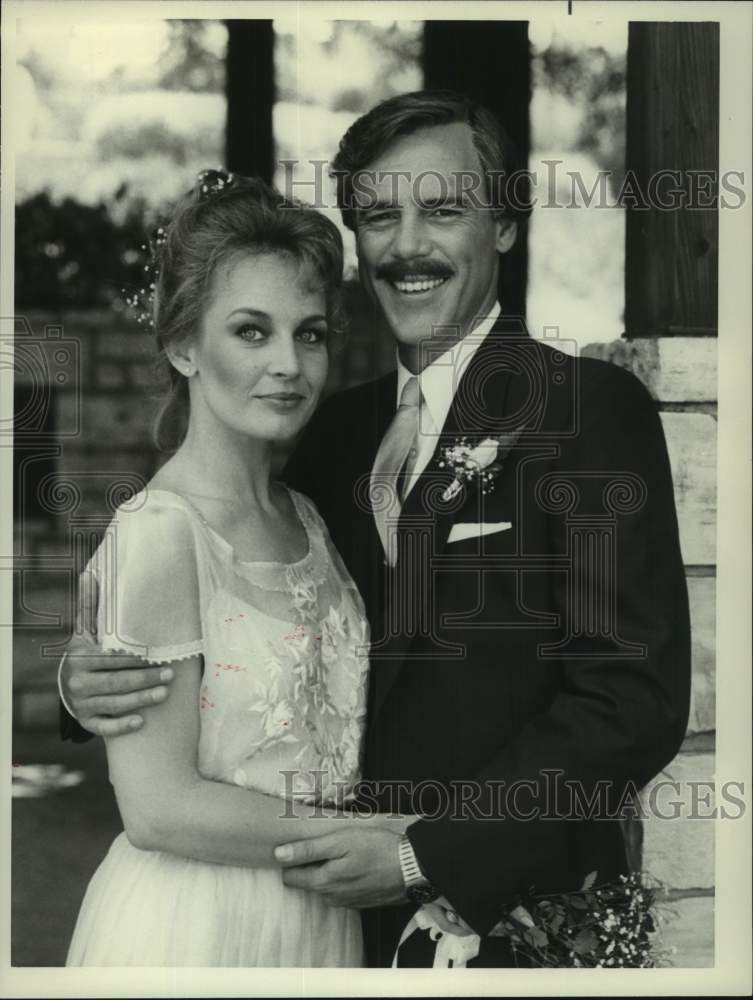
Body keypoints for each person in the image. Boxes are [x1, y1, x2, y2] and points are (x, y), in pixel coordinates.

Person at [60, 92, 691, 968]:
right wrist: (94, 672)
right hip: (326, 925)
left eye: (442, 210)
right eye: (379, 216)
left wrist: (423, 851)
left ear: (505, 225)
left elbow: (632, 702)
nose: (407, 245)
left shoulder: (588, 414)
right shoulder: (328, 434)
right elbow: (245, 601)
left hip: (515, 920)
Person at [62, 170, 412, 967]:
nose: (288, 363)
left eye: (310, 333)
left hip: (318, 919)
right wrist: (377, 840)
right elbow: (157, 808)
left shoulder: (313, 513)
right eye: (251, 331)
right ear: (184, 344)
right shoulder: (157, 532)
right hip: (196, 923)